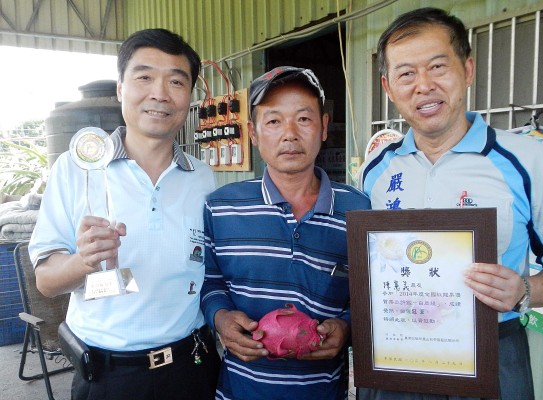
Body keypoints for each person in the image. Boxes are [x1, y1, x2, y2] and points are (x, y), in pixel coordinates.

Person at [359, 7, 543, 400]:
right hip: (398, 348)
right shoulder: (377, 171)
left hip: (494, 347)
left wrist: (524, 291)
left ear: (467, 70)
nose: (424, 85)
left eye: (437, 67)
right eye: (406, 74)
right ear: (388, 87)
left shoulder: (528, 160)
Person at [29, 28, 220, 400]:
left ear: (189, 96)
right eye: (144, 77)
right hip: (108, 377)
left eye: (176, 81)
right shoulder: (75, 168)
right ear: (120, 89)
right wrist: (83, 261)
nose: (159, 93)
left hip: (192, 367)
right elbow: (47, 282)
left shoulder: (202, 177)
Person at [200, 66, 371, 399]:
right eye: (274, 121)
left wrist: (347, 326)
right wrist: (220, 317)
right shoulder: (222, 208)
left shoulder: (358, 210)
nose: (289, 134)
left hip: (323, 391)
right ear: (252, 131)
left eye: (303, 119)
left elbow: (368, 292)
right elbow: (209, 280)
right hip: (240, 390)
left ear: (323, 127)